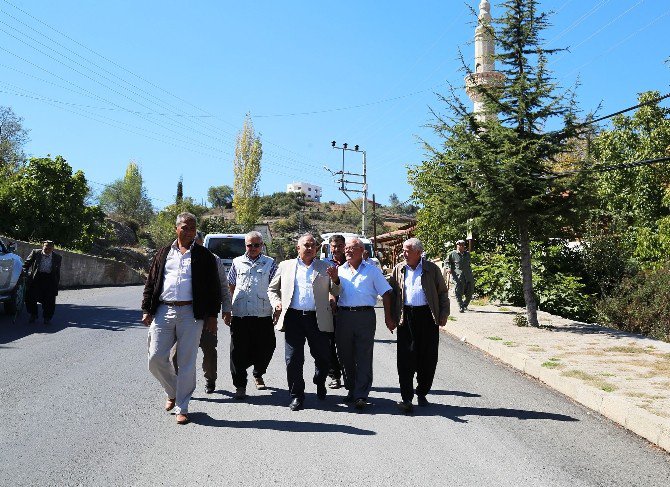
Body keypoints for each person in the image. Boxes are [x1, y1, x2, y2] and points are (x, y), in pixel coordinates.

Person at [141, 212, 221, 425]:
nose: (189, 231)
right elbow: (152, 282)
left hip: (191, 314)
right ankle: (173, 391)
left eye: (193, 228)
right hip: (163, 311)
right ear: (176, 228)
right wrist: (146, 309)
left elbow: (213, 288)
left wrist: (212, 315)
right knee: (155, 358)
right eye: (185, 227)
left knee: (186, 362)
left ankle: (182, 406)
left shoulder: (204, 255)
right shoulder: (164, 252)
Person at [268, 233, 341, 411]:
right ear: (297, 248)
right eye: (306, 245)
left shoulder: (326, 267)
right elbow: (272, 289)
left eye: (313, 246)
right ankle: (296, 396)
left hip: (318, 318)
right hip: (293, 317)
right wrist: (277, 302)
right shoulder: (286, 266)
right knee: (293, 359)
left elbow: (337, 291)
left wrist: (335, 279)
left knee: (324, 358)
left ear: (316, 249)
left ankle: (319, 380)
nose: (310, 248)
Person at [389, 238, 450, 413]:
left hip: (428, 317)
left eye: (407, 250)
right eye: (403, 250)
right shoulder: (399, 269)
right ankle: (406, 397)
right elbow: (391, 293)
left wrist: (443, 313)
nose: (403, 253)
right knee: (405, 358)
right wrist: (391, 317)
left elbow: (443, 293)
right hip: (406, 316)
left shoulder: (431, 269)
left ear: (418, 252)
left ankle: (422, 392)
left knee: (428, 358)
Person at [335, 236, 395, 410]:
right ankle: (351, 389)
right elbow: (333, 292)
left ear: (362, 251)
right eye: (346, 248)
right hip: (344, 316)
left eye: (352, 247)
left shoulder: (372, 271)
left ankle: (361, 394)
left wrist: (388, 317)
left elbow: (386, 293)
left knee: (363, 355)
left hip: (365, 316)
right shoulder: (340, 270)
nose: (347, 250)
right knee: (345, 355)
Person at [172, 231, 232, 394]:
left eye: (196, 243)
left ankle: (210, 380)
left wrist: (226, 309)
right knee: (177, 354)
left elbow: (222, 287)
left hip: (206, 315)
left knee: (209, 349)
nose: (193, 246)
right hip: (183, 314)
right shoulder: (178, 258)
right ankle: (179, 384)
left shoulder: (212, 259)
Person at [227, 231, 277, 399]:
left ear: (262, 245)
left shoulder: (270, 263)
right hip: (240, 313)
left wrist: (278, 308)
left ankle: (258, 372)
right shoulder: (236, 262)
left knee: (267, 347)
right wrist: (229, 309)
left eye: (257, 245)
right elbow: (231, 286)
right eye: (250, 245)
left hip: (262, 314)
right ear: (245, 246)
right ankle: (240, 385)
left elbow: (275, 287)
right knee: (237, 352)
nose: (253, 248)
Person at [23, 240, 62, 325]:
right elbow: (26, 264)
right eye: (45, 247)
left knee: (49, 300)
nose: (47, 249)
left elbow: (57, 272)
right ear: (42, 246)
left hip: (50, 280)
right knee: (30, 298)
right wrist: (24, 272)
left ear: (52, 249)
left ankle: (47, 317)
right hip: (37, 278)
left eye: (49, 248)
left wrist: (56, 284)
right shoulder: (36, 253)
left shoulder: (57, 257)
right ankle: (33, 314)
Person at [325, 234, 345, 389]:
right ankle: (335, 376)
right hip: (329, 310)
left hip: (348, 310)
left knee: (347, 345)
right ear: (329, 247)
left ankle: (350, 375)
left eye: (340, 246)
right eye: (334, 246)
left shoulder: (352, 262)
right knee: (329, 345)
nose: (337, 249)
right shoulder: (323, 264)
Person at [447, 239, 474, 313]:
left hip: (468, 275)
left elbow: (469, 264)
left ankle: (465, 304)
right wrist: (448, 268)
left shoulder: (467, 254)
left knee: (470, 291)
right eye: (459, 245)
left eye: (462, 245)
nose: (461, 246)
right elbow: (447, 262)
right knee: (458, 291)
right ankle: (460, 306)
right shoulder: (452, 254)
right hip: (458, 276)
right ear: (457, 245)